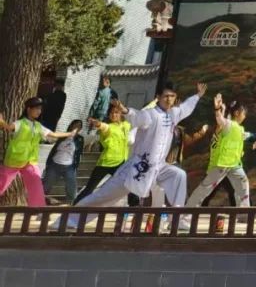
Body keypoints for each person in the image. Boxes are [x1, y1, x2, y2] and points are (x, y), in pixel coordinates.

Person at [72, 81, 205, 227]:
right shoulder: (151, 114)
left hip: (159, 168)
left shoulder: (173, 114)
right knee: (104, 195)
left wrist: (198, 95)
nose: (169, 100)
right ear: (158, 97)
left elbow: (186, 107)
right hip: (137, 168)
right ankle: (71, 219)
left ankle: (176, 219)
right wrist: (124, 110)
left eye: (172, 96)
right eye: (166, 96)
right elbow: (137, 116)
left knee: (179, 175)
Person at [0, 98, 78, 207]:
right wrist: (1, 121)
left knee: (36, 185)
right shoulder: (20, 123)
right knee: (1, 183)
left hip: (30, 161)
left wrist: (70, 134)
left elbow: (53, 134)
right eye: (36, 108)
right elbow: (8, 128)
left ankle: (38, 210)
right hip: (14, 160)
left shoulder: (38, 126)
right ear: (28, 109)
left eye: (40, 109)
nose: (39, 111)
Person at [186, 95, 252, 208]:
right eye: (244, 113)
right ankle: (186, 213)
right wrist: (217, 109)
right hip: (222, 164)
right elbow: (220, 120)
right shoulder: (228, 124)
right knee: (205, 189)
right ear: (237, 113)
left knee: (243, 185)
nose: (245, 116)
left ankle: (243, 214)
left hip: (235, 165)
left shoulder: (240, 128)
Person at [77, 104, 137, 206]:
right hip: (105, 162)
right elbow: (103, 126)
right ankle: (75, 206)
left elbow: (140, 115)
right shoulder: (110, 127)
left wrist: (156, 101)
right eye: (111, 113)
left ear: (121, 114)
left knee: (129, 184)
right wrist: (96, 123)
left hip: (120, 163)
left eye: (116, 112)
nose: (113, 115)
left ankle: (134, 207)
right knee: (89, 189)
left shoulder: (126, 125)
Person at [43, 119, 84, 204]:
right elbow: (54, 149)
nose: (77, 127)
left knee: (71, 186)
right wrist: (48, 163)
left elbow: (79, 153)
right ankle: (40, 199)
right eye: (75, 125)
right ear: (71, 125)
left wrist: (76, 166)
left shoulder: (80, 139)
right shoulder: (63, 135)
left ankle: (71, 203)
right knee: (47, 184)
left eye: (79, 126)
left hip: (69, 166)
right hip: (55, 164)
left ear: (80, 129)